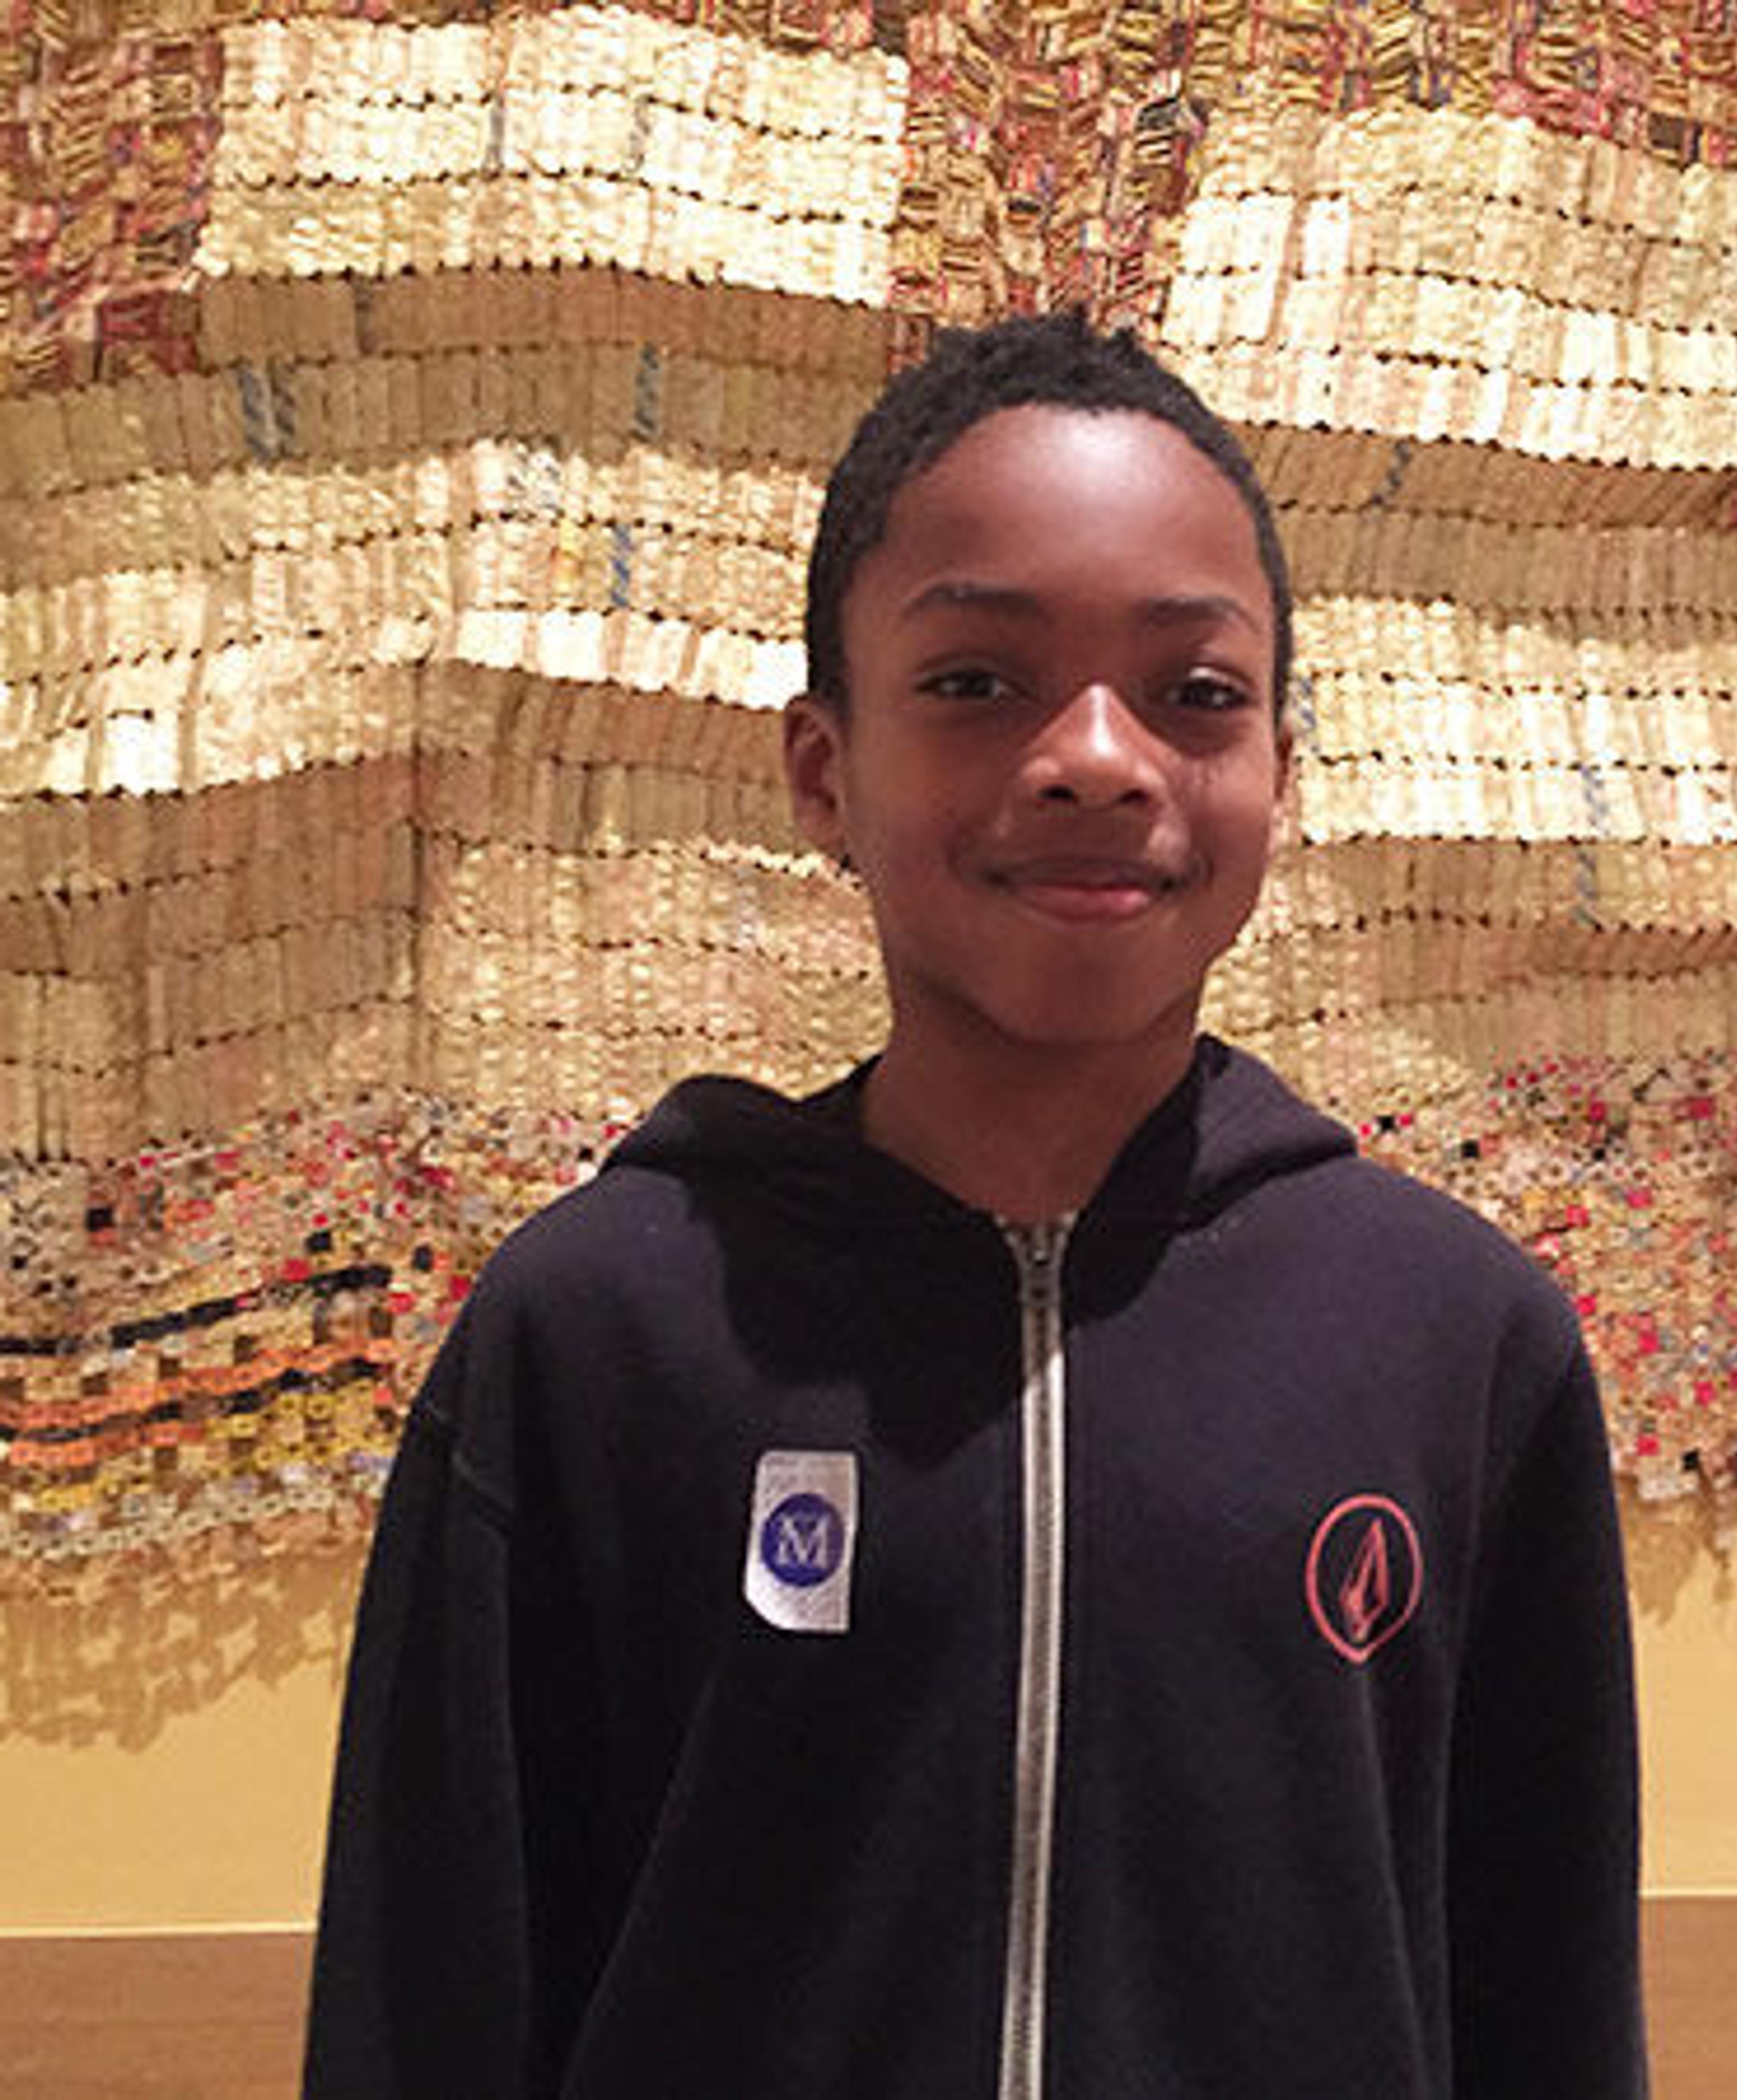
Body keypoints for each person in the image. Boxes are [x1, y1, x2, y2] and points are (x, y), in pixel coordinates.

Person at [304, 312, 1647, 2097]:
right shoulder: (597, 1329)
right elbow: (429, 1995)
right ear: (822, 772)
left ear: (1278, 774)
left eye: (1195, 693)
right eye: (975, 684)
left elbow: (1545, 2001)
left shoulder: (1456, 1345)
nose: (1097, 757)